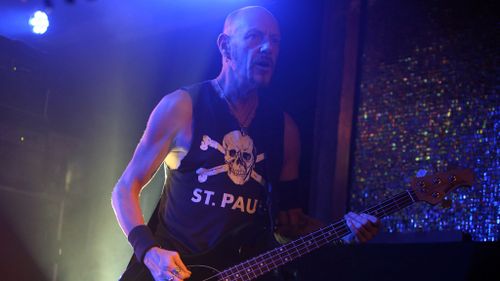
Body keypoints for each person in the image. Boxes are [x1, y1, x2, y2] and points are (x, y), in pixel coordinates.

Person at [111, 6, 380, 281]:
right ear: (225, 46)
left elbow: (288, 225)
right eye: (254, 37)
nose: (268, 48)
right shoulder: (183, 107)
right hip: (170, 272)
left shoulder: (284, 129)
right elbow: (124, 188)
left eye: (275, 41)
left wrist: (342, 232)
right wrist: (150, 252)